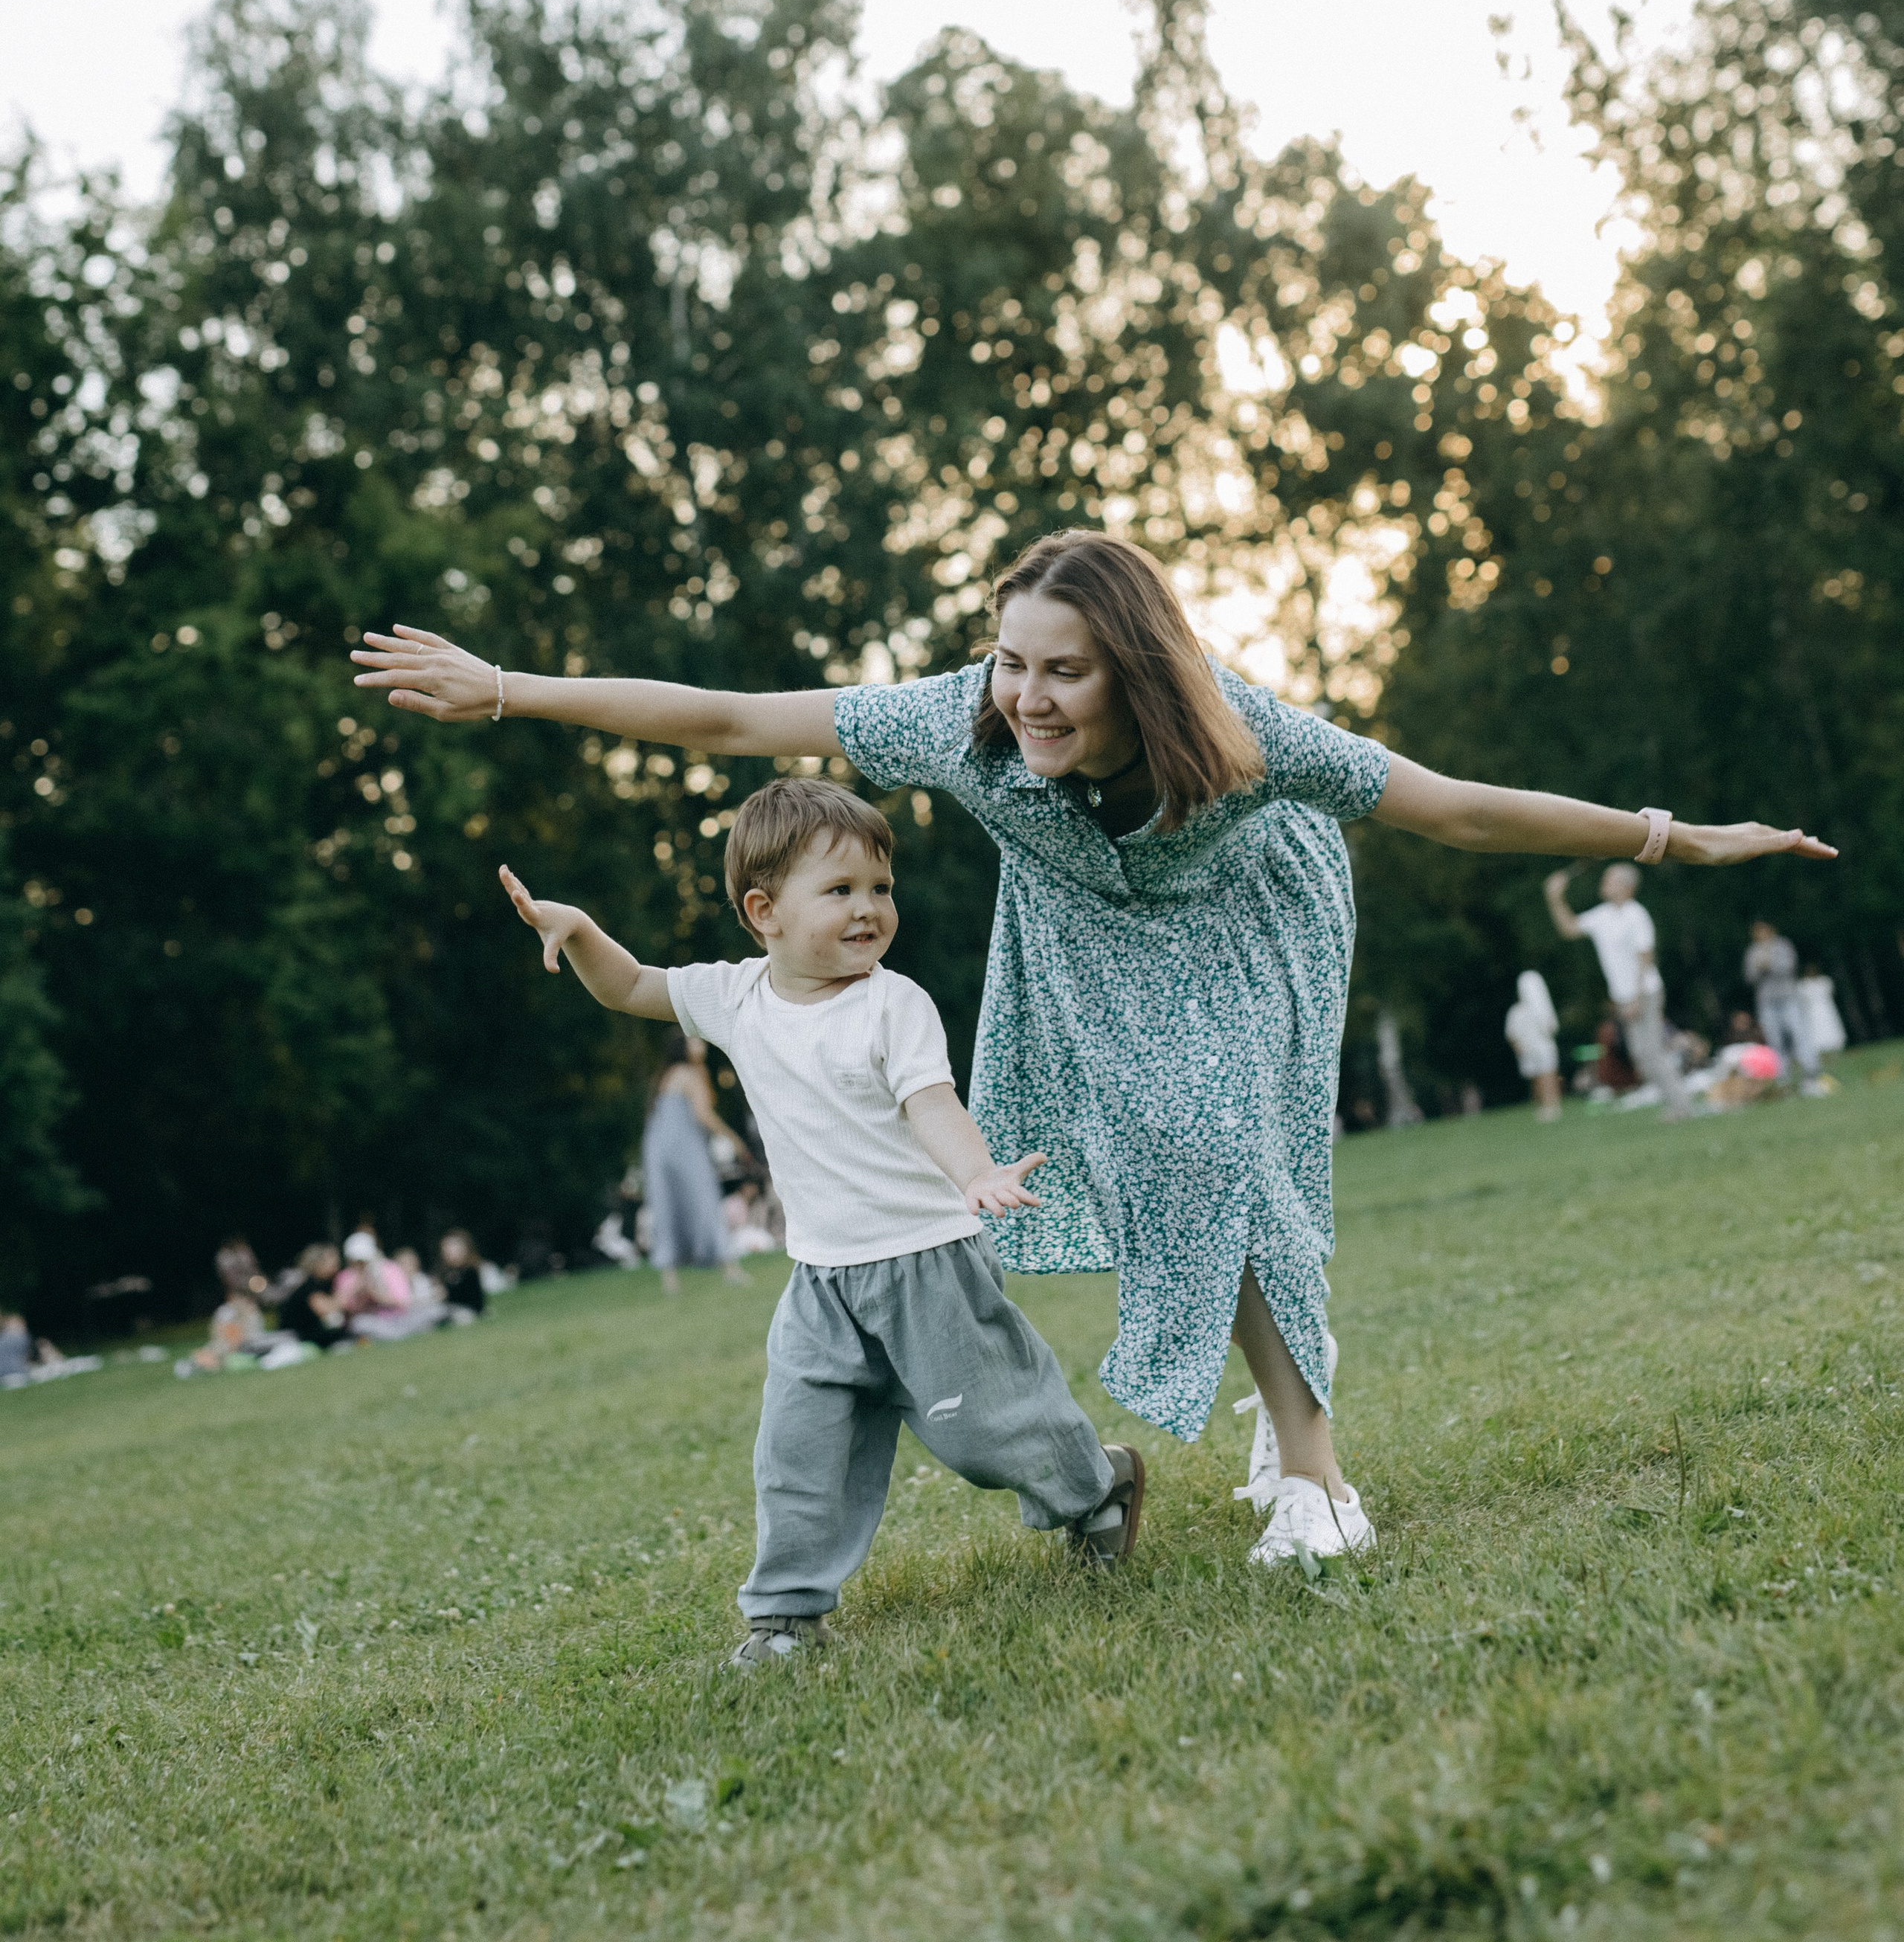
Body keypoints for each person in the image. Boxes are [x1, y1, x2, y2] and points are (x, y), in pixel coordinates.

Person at [354, 530, 1833, 1572]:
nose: (1024, 697)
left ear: (1134, 669)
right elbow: (736, 715)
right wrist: (514, 690)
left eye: (1060, 672)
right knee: (1174, 1159)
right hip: (1077, 931)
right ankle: (1287, 1406)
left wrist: (1664, 834)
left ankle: (1311, 1476)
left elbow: (1446, 806)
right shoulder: (956, 721)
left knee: (1215, 1145)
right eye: (1009, 662)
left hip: (1251, 912)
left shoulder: (1239, 729)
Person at [499, 775, 1146, 1662]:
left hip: (927, 1266)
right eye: (839, 891)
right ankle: (785, 1619)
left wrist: (976, 1172)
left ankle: (1094, 1485)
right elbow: (632, 987)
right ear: (763, 911)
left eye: (880, 889)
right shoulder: (735, 998)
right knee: (798, 1451)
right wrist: (578, 933)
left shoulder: (893, 1003)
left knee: (986, 1431)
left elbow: (932, 1106)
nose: (868, 909)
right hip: (819, 1282)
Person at [1543, 863, 1694, 1119]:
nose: (1604, 883)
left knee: (1652, 1051)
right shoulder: (1602, 916)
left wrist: (1635, 998)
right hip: (1626, 998)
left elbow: (1645, 958)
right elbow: (1569, 929)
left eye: (1610, 880)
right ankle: (1675, 1104)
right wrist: (1555, 898)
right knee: (1640, 1054)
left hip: (1645, 993)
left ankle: (1682, 1107)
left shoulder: (1637, 915)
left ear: (1627, 887)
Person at [643, 1032, 752, 1295]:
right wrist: (735, 1140)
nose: (701, 1044)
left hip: (657, 1146)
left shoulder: (666, 1075)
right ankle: (730, 1269)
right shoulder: (691, 1073)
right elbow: (704, 1113)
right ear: (684, 1047)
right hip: (684, 1145)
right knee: (705, 1200)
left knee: (666, 1204)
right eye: (696, 1040)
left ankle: (670, 1281)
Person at [1743, 921, 1813, 1085]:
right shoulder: (1753, 952)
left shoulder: (1782, 946)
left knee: (1799, 1034)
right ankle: (1783, 1078)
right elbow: (1749, 976)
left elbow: (1790, 967)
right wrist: (1759, 968)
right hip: (1767, 1002)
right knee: (1775, 1040)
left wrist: (1770, 965)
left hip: (1789, 997)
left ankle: (1810, 1071)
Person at [1504, 968, 1563, 1120]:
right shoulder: (1516, 1011)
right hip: (1529, 1051)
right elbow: (1512, 1034)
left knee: (1548, 1076)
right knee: (1537, 1080)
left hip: (1543, 1048)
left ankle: (1553, 1106)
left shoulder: (1540, 1008)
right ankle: (1543, 1106)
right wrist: (1519, 1049)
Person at [274, 1243, 347, 1348]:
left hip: (307, 1334)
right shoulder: (308, 1285)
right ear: (317, 1263)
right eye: (331, 1260)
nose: (336, 1263)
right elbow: (325, 1309)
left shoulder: (326, 1284)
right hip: (293, 1336)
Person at [1795, 959, 1846, 1093]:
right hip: (1811, 1013)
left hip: (1826, 1009)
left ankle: (1833, 1051)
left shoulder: (1825, 981)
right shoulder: (1802, 985)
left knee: (1830, 1029)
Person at [437, 1228, 489, 1316]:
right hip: (452, 1308)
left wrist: (447, 1293)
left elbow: (474, 1298)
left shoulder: (470, 1271)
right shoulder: (447, 1272)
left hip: (468, 1310)